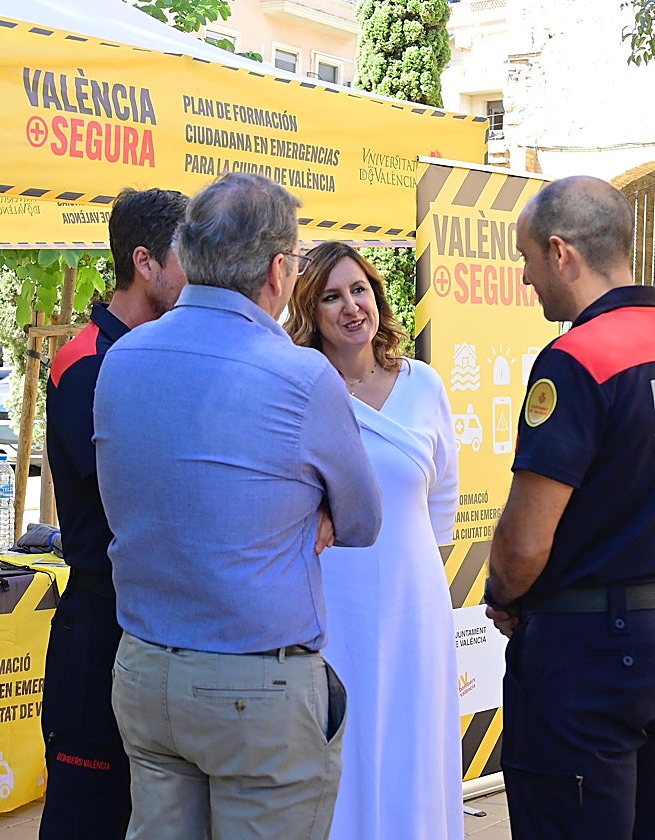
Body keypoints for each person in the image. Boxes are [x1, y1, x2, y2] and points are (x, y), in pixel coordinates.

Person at [94, 172, 383, 839]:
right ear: (279, 271)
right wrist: (312, 511)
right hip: (255, 688)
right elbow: (363, 520)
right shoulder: (300, 375)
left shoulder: (123, 357)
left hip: (145, 670)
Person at [483, 176, 655, 839]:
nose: (527, 279)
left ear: (561, 253)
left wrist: (504, 593)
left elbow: (525, 543)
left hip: (588, 657)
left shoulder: (577, 358)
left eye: (527, 260)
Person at [285, 241, 462, 839]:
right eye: (331, 297)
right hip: (333, 602)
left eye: (359, 290)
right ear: (310, 312)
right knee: (344, 740)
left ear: (378, 297)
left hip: (415, 602)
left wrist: (409, 579)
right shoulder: (299, 391)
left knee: (415, 743)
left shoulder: (424, 385)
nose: (351, 307)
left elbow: (442, 503)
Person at [40, 187, 189, 840]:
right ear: (145, 262)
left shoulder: (159, 353)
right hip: (103, 625)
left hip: (159, 626)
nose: (200, 273)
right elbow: (133, 495)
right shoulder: (86, 362)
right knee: (89, 818)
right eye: (188, 256)